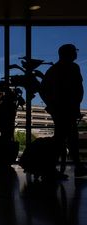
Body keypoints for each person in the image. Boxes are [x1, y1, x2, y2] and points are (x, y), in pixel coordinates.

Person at [41, 44, 87, 177]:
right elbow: (77, 89)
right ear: (69, 53)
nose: (76, 53)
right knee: (66, 138)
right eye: (74, 51)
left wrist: (51, 105)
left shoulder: (54, 69)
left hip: (63, 109)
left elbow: (43, 90)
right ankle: (57, 168)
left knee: (64, 137)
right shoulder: (72, 68)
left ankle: (54, 168)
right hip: (66, 109)